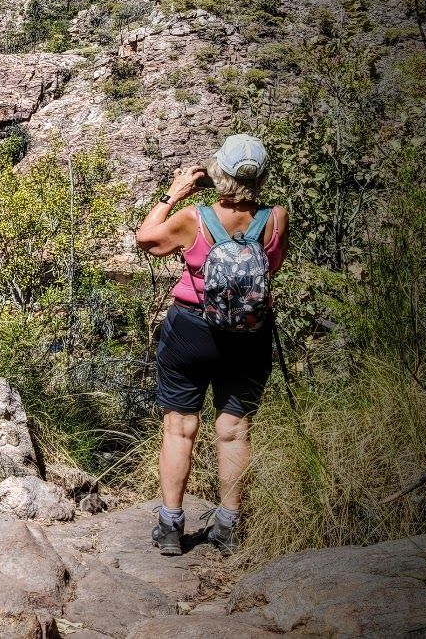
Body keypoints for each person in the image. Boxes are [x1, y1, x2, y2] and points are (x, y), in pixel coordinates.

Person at [133, 134, 288, 556]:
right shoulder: (276, 218)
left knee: (179, 429)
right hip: (249, 334)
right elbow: (270, 267)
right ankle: (228, 527)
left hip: (191, 331)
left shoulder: (192, 218)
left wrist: (175, 192)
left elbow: (146, 239)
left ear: (218, 170)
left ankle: (169, 527)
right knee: (235, 430)